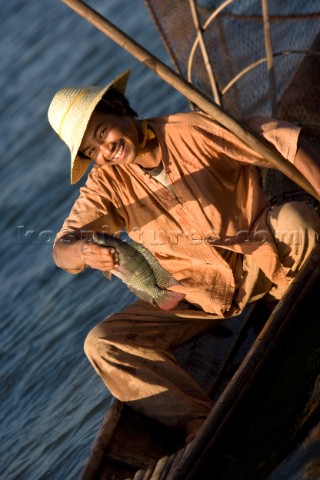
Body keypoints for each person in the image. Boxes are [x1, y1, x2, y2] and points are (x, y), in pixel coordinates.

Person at [48, 69, 320, 443]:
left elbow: (282, 140)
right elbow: (61, 248)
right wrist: (81, 249)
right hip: (191, 296)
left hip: (260, 261)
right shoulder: (105, 183)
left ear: (117, 107)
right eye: (93, 151)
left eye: (102, 134)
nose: (106, 151)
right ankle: (197, 422)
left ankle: (289, 301)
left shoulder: (187, 130)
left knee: (298, 221)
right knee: (102, 343)